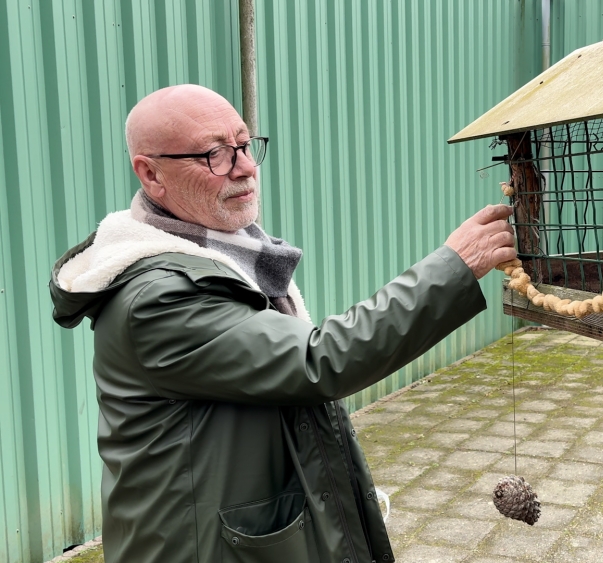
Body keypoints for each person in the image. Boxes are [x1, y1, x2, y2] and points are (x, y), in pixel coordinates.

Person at [50, 84, 516, 563]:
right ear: (151, 174)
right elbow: (319, 360)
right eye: (215, 154)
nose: (246, 168)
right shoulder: (158, 298)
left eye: (246, 146)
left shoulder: (225, 255)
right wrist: (453, 268)